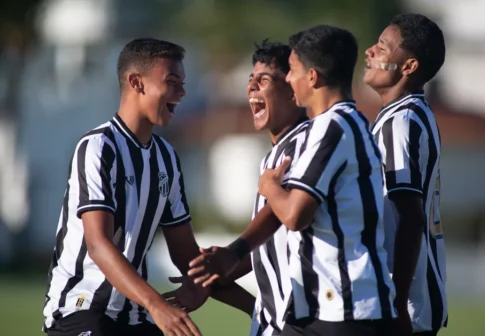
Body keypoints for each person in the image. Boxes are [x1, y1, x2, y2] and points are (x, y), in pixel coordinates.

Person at [190, 25, 398, 336]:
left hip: (346, 307)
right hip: (329, 309)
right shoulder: (340, 125)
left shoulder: (330, 127)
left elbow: (293, 214)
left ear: (311, 77)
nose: (289, 77)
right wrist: (230, 260)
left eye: (293, 71)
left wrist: (269, 187)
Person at [42, 37, 253, 336]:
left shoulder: (166, 157)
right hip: (81, 309)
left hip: (133, 316)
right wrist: (157, 305)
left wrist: (255, 308)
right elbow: (99, 245)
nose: (182, 92)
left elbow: (186, 257)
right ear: (136, 82)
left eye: (183, 82)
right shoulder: (98, 147)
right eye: (172, 81)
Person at [176, 39, 309, 336]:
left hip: (306, 323)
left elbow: (289, 215)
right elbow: (270, 241)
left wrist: (231, 254)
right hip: (279, 323)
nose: (252, 88)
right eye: (251, 80)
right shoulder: (276, 152)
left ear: (293, 89)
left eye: (264, 80)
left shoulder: (307, 144)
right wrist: (212, 275)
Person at [363, 13, 448, 336]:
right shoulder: (407, 115)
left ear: (409, 66)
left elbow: (409, 217)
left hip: (404, 308)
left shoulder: (401, 123)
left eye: (382, 47)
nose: (370, 51)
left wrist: (395, 303)